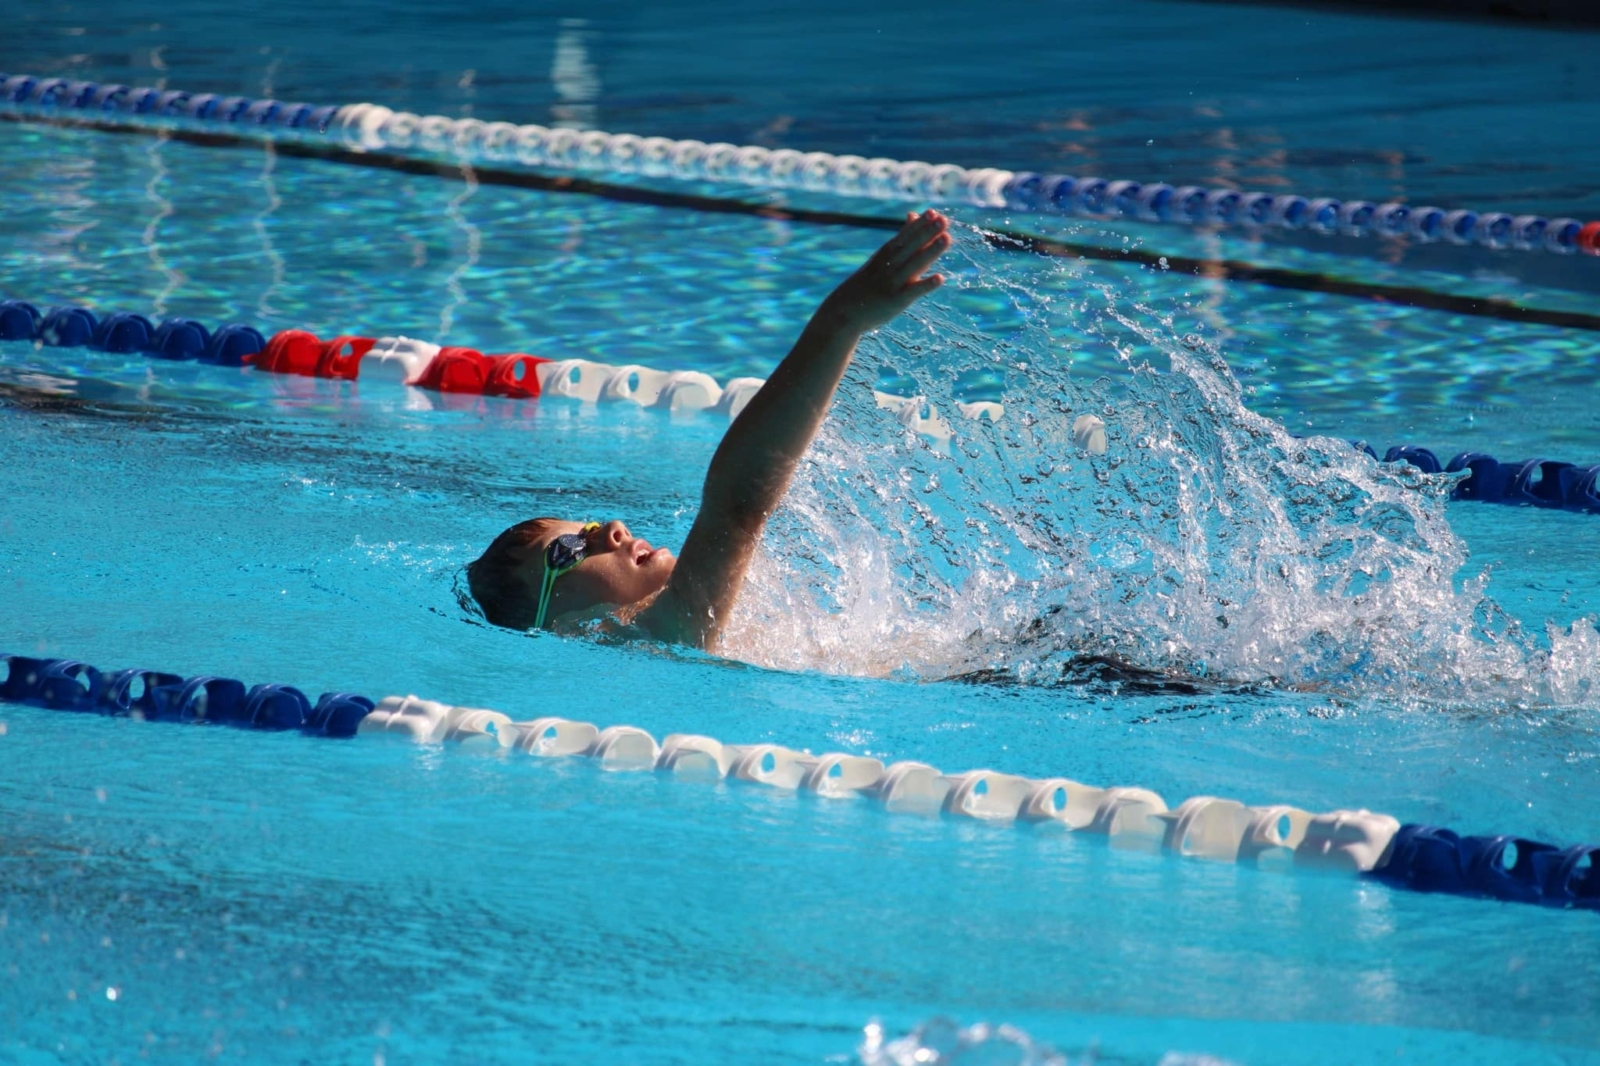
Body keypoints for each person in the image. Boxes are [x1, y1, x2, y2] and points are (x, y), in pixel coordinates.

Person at [467, 208, 953, 650]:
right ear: (555, 625)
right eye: (569, 550)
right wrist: (839, 322)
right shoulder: (656, 635)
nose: (612, 529)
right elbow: (738, 509)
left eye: (589, 529)